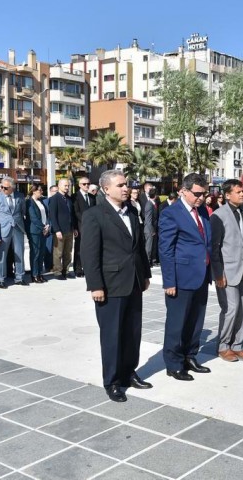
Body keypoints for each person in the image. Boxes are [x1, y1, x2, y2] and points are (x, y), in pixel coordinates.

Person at [82, 169, 153, 402]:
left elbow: (139, 247)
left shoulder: (132, 211)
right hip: (110, 285)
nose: (126, 188)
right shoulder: (95, 214)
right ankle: (112, 381)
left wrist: (145, 274)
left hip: (133, 281)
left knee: (132, 332)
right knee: (112, 335)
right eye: (121, 185)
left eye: (127, 184)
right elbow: (90, 254)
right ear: (106, 189)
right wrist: (95, 286)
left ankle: (128, 372)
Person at [159, 173, 213, 381]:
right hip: (181, 278)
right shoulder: (171, 213)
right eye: (197, 194)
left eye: (204, 194)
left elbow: (205, 242)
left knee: (195, 321)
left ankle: (190, 356)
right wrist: (169, 281)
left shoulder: (203, 212)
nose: (201, 198)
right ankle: (173, 364)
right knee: (176, 323)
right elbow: (166, 250)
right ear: (184, 190)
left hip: (201, 275)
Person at [210, 179, 243, 362]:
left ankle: (238, 345)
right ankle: (224, 346)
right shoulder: (218, 215)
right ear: (227, 195)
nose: (242, 194)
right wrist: (218, 274)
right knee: (230, 308)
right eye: (238, 191)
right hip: (228, 270)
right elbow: (214, 248)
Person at [0, 177, 27, 287]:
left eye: (5, 187)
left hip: (18, 228)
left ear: (12, 188)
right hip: (3, 229)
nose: (3, 189)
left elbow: (22, 212)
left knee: (19, 253)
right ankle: (1, 278)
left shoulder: (20, 196)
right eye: (2, 186)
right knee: (2, 254)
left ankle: (20, 277)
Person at [48, 178, 76, 280]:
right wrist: (57, 230)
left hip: (69, 229)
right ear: (59, 185)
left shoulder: (69, 198)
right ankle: (57, 272)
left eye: (68, 186)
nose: (67, 187)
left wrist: (75, 228)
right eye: (65, 185)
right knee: (58, 252)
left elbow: (72, 214)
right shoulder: (55, 198)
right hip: (60, 230)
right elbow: (53, 216)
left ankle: (66, 270)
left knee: (68, 252)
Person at [25, 183, 50, 283]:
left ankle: (40, 273)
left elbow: (46, 215)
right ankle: (34, 274)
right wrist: (43, 227)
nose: (41, 192)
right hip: (34, 231)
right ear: (34, 191)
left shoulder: (41, 201)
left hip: (44, 230)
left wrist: (47, 225)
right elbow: (33, 218)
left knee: (41, 253)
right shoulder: (29, 202)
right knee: (35, 253)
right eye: (40, 190)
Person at [72, 176, 96, 278]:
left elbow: (95, 211)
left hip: (91, 227)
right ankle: (78, 269)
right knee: (79, 249)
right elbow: (75, 212)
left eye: (88, 184)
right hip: (80, 226)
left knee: (90, 249)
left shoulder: (92, 197)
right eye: (84, 184)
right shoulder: (75, 197)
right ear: (79, 185)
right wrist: (75, 228)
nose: (86, 185)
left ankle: (87, 268)